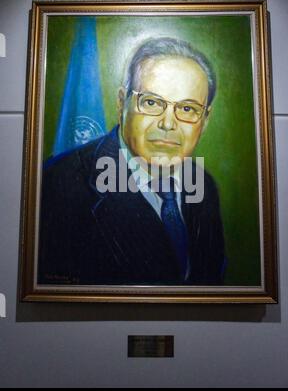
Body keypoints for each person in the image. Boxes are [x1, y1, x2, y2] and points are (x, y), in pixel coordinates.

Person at [38, 37, 226, 286]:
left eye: (188, 109)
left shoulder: (204, 186)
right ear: (121, 103)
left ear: (205, 120)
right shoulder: (55, 186)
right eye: (151, 102)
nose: (168, 124)